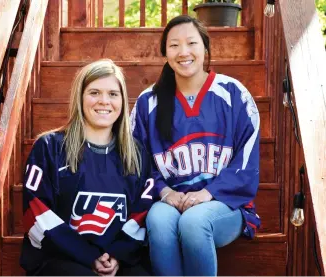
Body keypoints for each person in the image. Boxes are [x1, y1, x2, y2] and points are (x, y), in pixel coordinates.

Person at [130, 15, 261, 276]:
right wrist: (165, 192)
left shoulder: (234, 94)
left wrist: (207, 194)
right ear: (165, 53)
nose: (184, 52)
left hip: (225, 204)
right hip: (169, 201)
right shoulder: (148, 102)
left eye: (191, 43)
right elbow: (136, 161)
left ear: (205, 48)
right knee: (157, 219)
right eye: (174, 45)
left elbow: (246, 163)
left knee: (194, 222)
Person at [20, 59, 153, 276]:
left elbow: (142, 213)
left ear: (122, 101)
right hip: (61, 260)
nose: (104, 101)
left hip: (117, 260)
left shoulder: (137, 155)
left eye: (112, 94)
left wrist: (117, 254)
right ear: (80, 98)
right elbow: (37, 213)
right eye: (94, 92)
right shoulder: (49, 147)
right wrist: (87, 256)